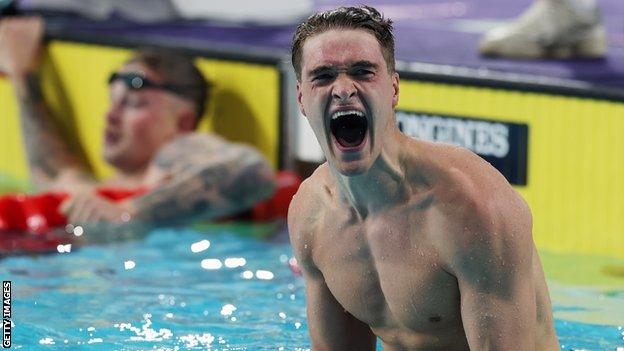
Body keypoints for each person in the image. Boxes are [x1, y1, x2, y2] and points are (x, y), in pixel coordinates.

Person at [288, 6, 559, 350]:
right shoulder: (311, 216)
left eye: (363, 71)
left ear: (394, 89)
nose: (343, 89)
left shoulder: (472, 208)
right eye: (323, 76)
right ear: (301, 97)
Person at [0, 17, 276, 225]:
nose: (110, 115)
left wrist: (131, 213)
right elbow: (52, 172)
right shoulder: (99, 189)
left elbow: (251, 172)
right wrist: (22, 75)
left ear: (183, 122)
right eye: (112, 102)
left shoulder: (175, 156)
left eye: (133, 104)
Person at [479, 0, 606, 58]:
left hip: (556, 23)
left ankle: (561, 15)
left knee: (491, 44)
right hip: (588, 22)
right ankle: (584, 21)